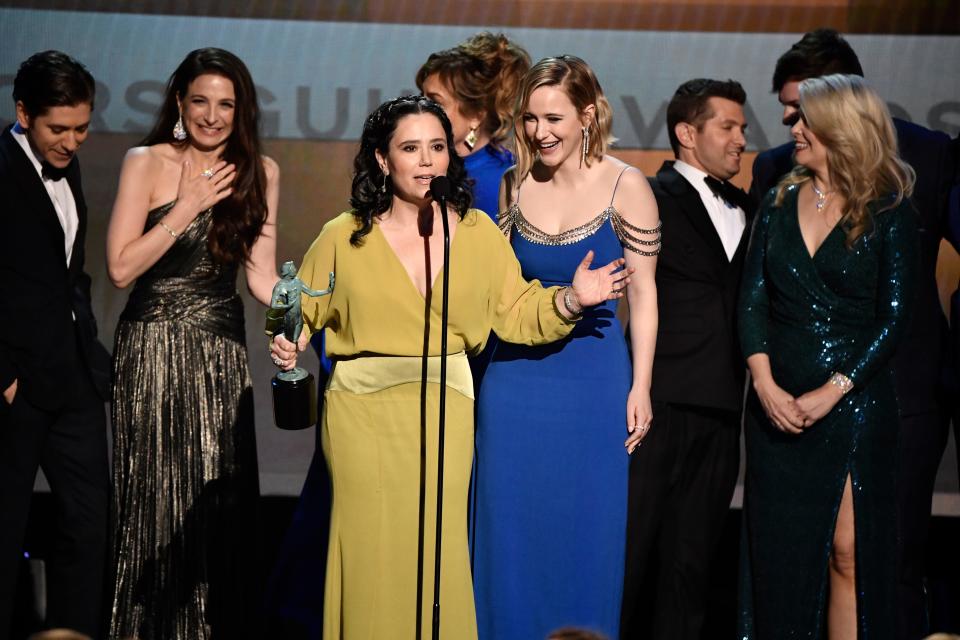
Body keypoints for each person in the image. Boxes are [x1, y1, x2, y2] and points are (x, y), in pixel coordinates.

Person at [269, 94, 631, 640]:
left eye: (436, 147)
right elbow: (303, 308)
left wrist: (572, 299)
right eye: (409, 148)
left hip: (447, 413)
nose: (426, 161)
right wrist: (288, 337)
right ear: (381, 160)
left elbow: (515, 310)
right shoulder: (342, 235)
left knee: (438, 555)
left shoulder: (478, 232)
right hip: (362, 417)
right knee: (372, 554)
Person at [749, 30, 956, 640]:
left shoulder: (919, 167)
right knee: (792, 557)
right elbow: (754, 294)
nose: (789, 123)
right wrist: (764, 377)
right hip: (785, 396)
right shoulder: (775, 180)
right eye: (788, 110)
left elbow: (898, 306)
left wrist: (839, 385)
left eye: (801, 110)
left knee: (877, 558)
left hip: (888, 398)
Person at [472, 55, 660, 640]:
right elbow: (499, 293)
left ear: (587, 114)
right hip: (513, 386)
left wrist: (641, 386)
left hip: (594, 382)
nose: (539, 133)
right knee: (508, 533)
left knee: (585, 533)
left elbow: (647, 298)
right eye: (528, 119)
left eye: (553, 118)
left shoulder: (628, 186)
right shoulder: (511, 185)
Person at [105, 47, 279, 639]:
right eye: (200, 101)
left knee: (215, 507)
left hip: (220, 359)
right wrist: (185, 208)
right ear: (179, 102)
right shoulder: (145, 161)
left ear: (242, 110)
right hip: (150, 350)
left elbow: (259, 276)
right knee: (151, 506)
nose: (212, 115)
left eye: (226, 104)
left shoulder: (262, 172)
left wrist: (300, 305)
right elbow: (122, 268)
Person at [620, 78, 754, 640]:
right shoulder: (648, 195)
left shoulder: (752, 208)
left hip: (724, 409)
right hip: (657, 404)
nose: (741, 140)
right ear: (687, 133)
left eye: (743, 129)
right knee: (629, 556)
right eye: (728, 127)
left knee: (690, 568)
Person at [0, 50, 111, 640]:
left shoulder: (67, 168)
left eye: (82, 127)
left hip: (73, 379)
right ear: (23, 112)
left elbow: (68, 270)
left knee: (89, 525)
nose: (72, 141)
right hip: (16, 384)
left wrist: (86, 344)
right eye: (58, 129)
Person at [417, 31, 531, 219]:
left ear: (476, 116)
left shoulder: (504, 182)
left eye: (435, 102)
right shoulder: (418, 164)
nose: (420, 109)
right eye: (421, 97)